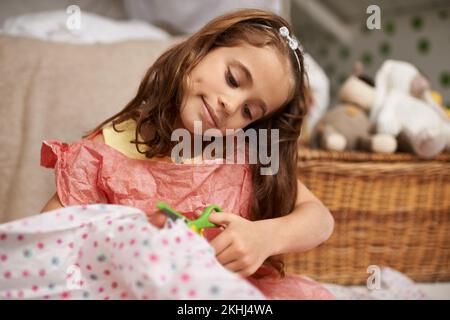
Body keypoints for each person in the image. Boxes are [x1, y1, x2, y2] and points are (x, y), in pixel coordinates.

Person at [41, 9, 334, 299]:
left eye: (249, 111)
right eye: (232, 79)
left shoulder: (245, 157)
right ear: (202, 49)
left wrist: (267, 237)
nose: (231, 105)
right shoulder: (107, 152)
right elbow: (48, 240)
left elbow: (320, 220)